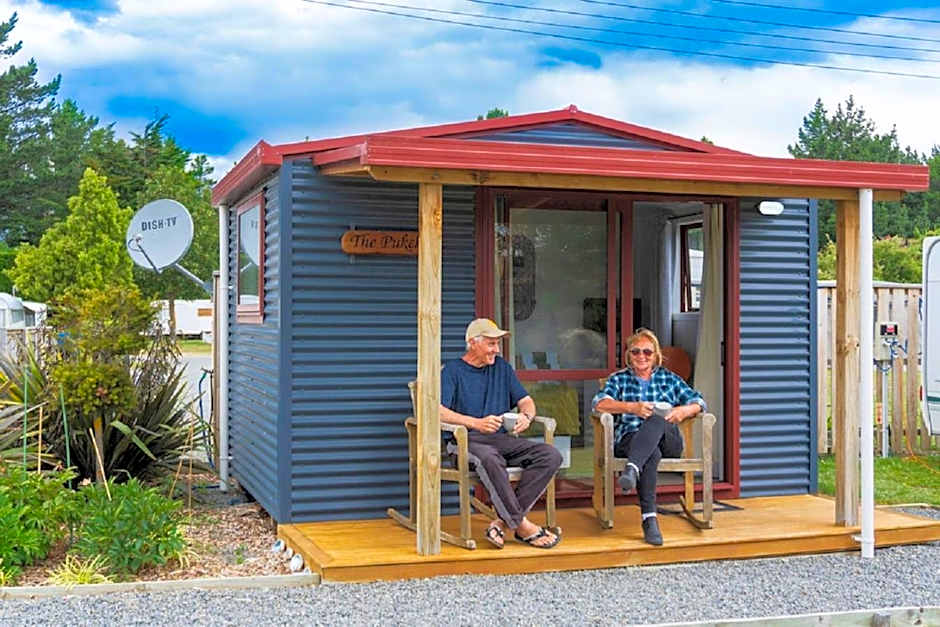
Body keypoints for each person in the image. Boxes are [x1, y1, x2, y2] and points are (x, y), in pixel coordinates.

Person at [440, 318, 563, 550]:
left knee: (550, 455)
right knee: (490, 458)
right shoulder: (452, 371)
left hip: (501, 440)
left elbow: (526, 401)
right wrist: (475, 423)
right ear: (472, 343)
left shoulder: (502, 368)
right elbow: (438, 411)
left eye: (497, 344)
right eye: (491, 343)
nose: (496, 349)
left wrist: (526, 417)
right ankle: (522, 526)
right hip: (464, 442)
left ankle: (503, 523)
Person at [591, 328, 707, 546]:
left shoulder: (669, 379)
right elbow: (599, 404)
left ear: (656, 356)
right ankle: (649, 519)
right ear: (629, 355)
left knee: (656, 418)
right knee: (651, 454)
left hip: (668, 441)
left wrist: (683, 410)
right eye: (636, 352)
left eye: (647, 352)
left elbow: (699, 401)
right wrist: (632, 407)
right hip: (630, 439)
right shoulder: (619, 379)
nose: (641, 356)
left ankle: (632, 468)